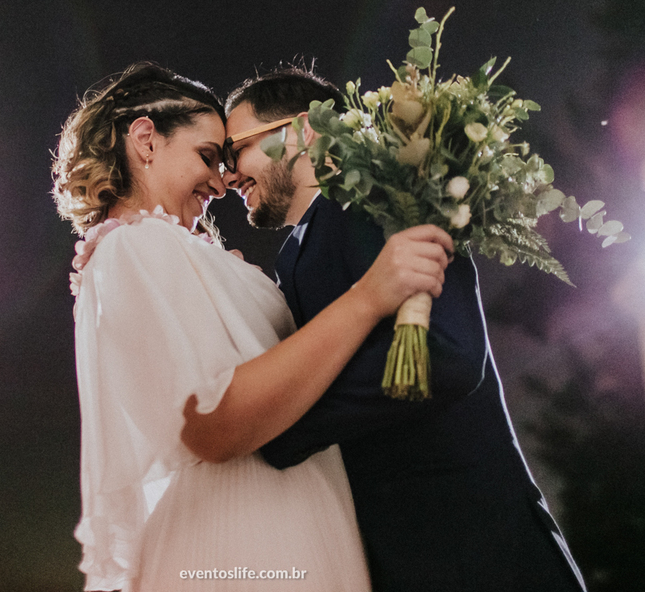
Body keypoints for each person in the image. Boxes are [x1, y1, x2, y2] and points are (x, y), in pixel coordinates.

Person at [52, 63, 454, 591]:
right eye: (207, 157)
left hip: (287, 520)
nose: (221, 183)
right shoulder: (132, 247)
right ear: (147, 140)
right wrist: (368, 298)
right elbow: (213, 422)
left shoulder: (169, 251)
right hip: (240, 535)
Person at [222, 67, 588, 592]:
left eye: (235, 150)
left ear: (305, 130)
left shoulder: (379, 200)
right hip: (396, 556)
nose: (229, 175)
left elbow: (449, 353)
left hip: (477, 549)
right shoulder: (294, 254)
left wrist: (288, 427)